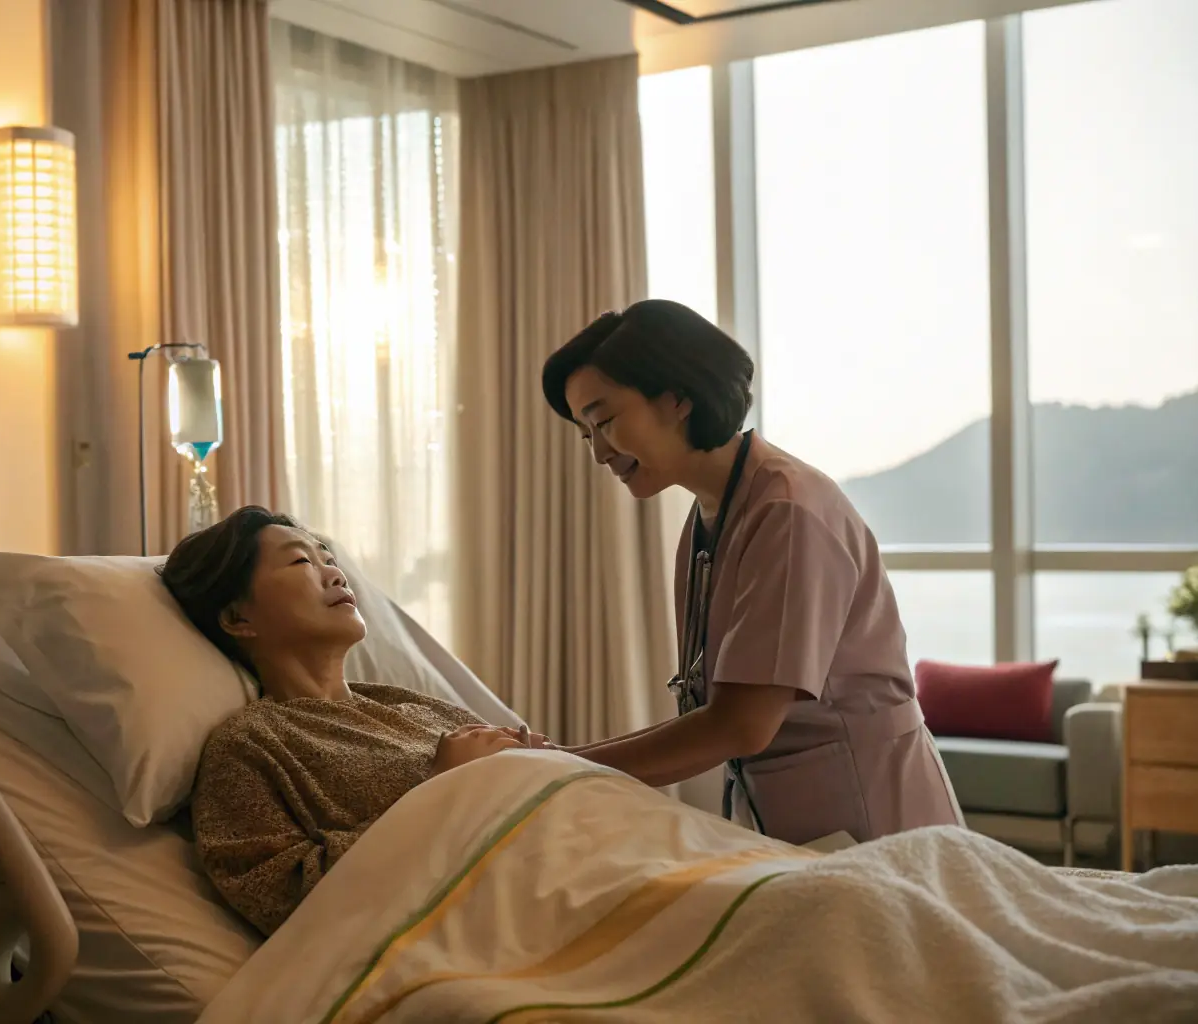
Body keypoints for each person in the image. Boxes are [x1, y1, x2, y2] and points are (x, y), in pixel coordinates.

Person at [541, 299, 962, 847]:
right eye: (585, 435)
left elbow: (741, 723)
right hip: (789, 820)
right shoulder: (709, 517)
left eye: (604, 422)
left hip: (873, 818)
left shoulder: (787, 511)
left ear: (676, 398)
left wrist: (560, 768)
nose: (598, 452)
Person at [159, 506, 541, 936]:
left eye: (330, 560)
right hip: (503, 914)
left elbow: (544, 766)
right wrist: (441, 786)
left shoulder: (412, 706)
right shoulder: (249, 747)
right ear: (237, 617)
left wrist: (553, 760)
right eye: (303, 561)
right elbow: (287, 898)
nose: (336, 575)